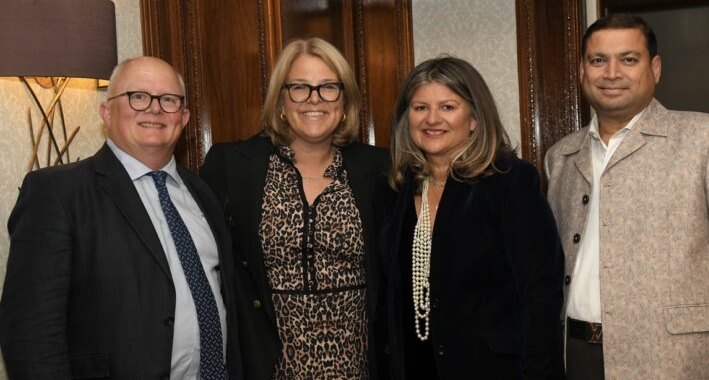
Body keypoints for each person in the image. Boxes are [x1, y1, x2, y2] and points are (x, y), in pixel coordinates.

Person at [546, 13, 709, 380]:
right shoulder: (561, 157)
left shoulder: (706, 138)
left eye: (628, 59)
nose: (612, 72)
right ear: (582, 72)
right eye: (598, 60)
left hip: (675, 360)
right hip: (576, 356)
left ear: (656, 68)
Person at [0, 56, 241, 379]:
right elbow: (31, 336)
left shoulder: (203, 192)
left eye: (168, 100)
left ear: (183, 118)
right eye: (137, 96)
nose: (154, 109)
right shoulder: (57, 193)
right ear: (106, 112)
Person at [200, 37, 389, 380]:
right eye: (300, 87)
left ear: (344, 102)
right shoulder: (231, 166)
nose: (314, 99)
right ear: (281, 101)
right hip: (266, 366)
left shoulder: (381, 170)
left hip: (358, 366)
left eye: (328, 87)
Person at [376, 55, 565, 380]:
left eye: (448, 107)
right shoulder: (396, 189)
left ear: (475, 118)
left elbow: (540, 293)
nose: (432, 119)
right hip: (415, 368)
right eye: (420, 108)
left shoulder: (510, 182)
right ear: (406, 117)